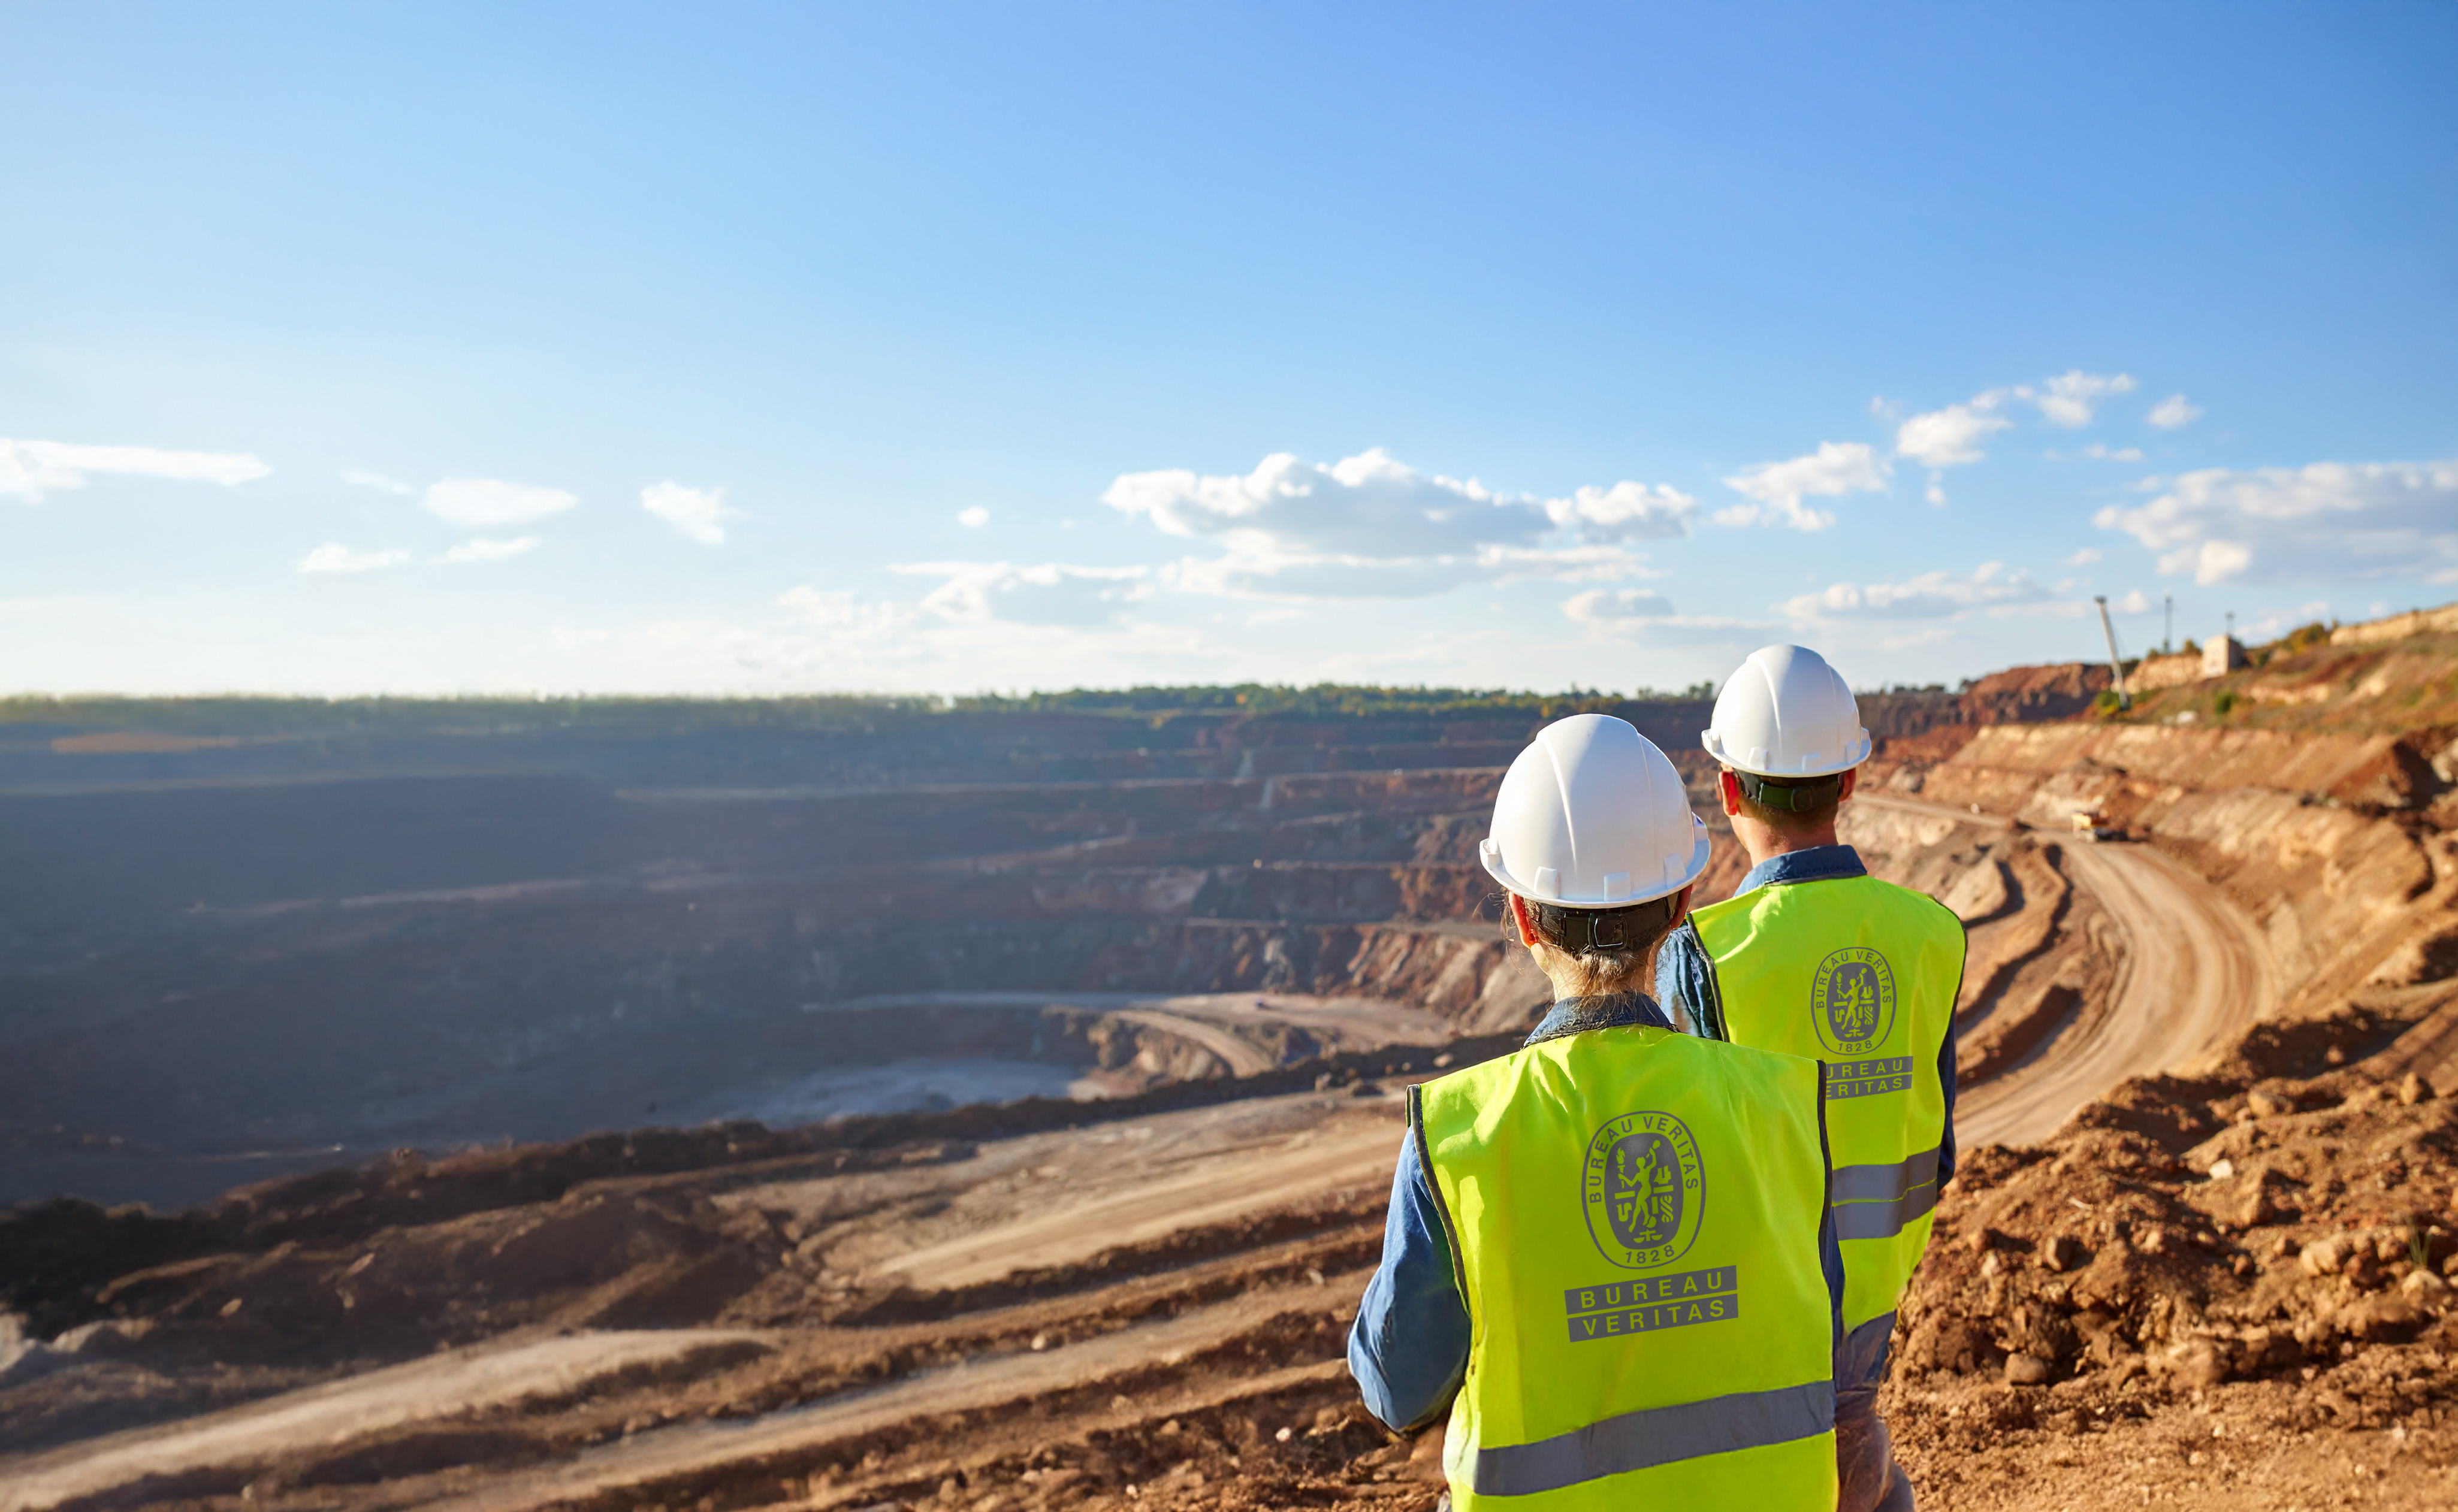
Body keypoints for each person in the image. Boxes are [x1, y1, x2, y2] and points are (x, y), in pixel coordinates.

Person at [1348, 712, 1846, 1510]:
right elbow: (1820, 1320)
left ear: (1520, 917)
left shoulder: (1461, 1132)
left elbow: (1395, 1388)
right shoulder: (1782, 1101)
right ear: (1682, 902)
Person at [1656, 644, 1964, 1512]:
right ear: (1851, 780)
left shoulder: (1707, 951)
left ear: (1726, 791)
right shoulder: (1930, 933)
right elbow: (1936, 1148)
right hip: (1873, 1304)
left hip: (1764, 1317)